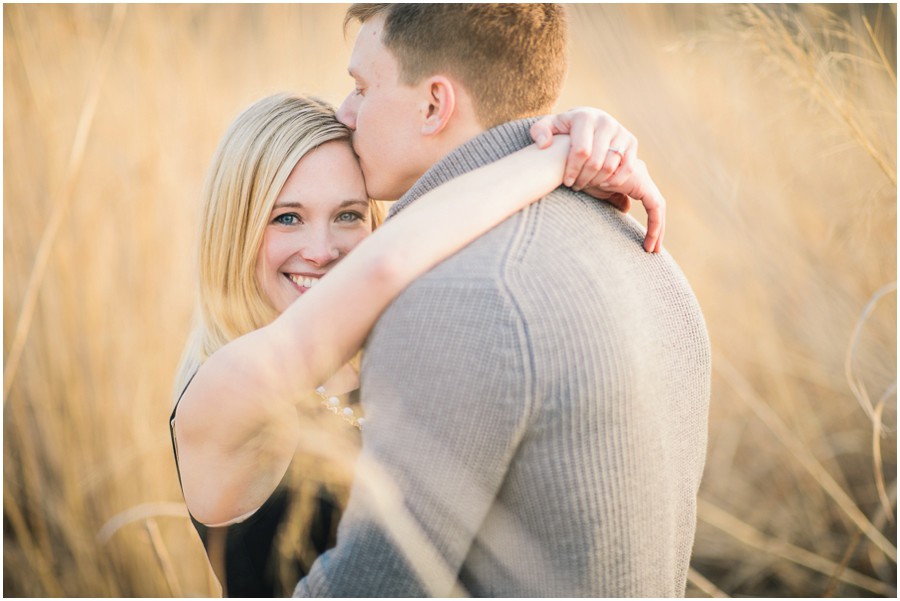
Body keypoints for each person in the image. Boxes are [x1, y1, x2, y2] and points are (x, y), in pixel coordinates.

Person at [289, 4, 711, 597]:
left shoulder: (457, 297)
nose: (345, 110)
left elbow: (375, 586)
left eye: (361, 87)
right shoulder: (647, 254)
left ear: (434, 104)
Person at [170, 92, 666, 595]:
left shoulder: (398, 344)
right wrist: (559, 156)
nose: (321, 252)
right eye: (287, 218)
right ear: (236, 229)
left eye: (348, 215)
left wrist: (580, 133)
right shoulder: (219, 392)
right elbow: (387, 264)